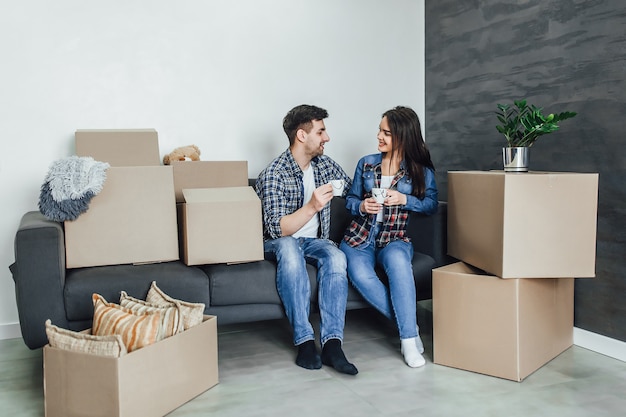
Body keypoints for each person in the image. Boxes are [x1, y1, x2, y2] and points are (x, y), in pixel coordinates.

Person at [255, 104, 358, 375]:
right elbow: (279, 230)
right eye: (321, 131)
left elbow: (353, 190)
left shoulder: (324, 165)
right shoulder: (273, 174)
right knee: (289, 249)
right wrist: (312, 206)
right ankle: (304, 341)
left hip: (315, 241)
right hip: (280, 242)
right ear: (302, 135)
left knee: (336, 255)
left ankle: (333, 343)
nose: (327, 137)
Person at [339, 106, 438, 368]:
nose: (379, 136)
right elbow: (349, 199)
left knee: (399, 267)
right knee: (361, 276)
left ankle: (407, 343)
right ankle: (410, 330)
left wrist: (405, 199)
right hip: (360, 237)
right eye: (380, 130)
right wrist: (361, 206)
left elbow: (431, 205)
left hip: (395, 238)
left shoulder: (419, 171)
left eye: (387, 133)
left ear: (403, 137)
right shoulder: (367, 163)